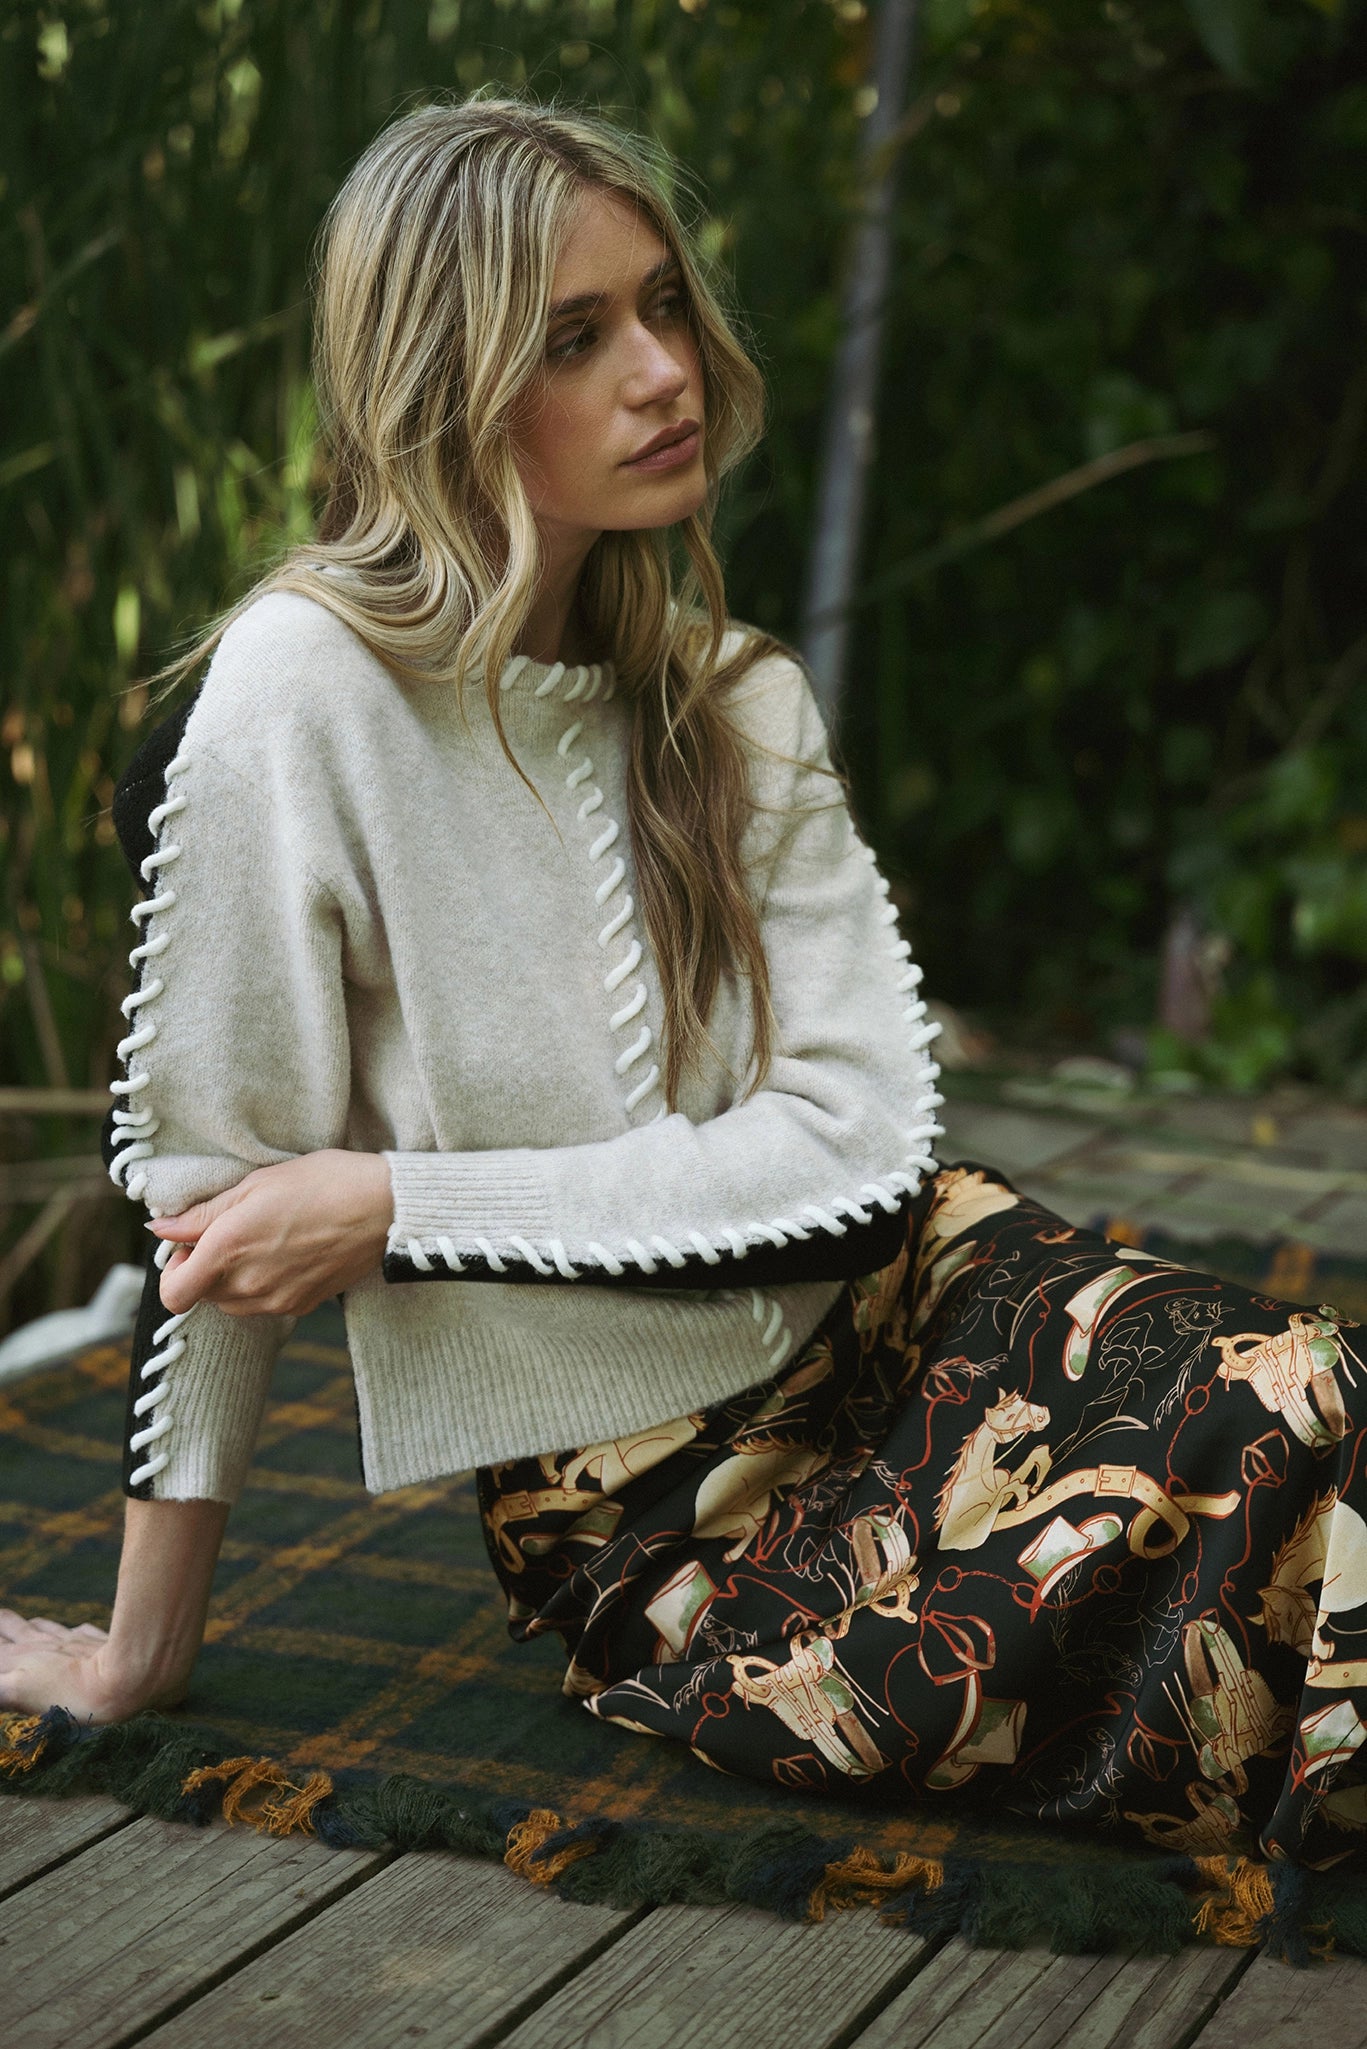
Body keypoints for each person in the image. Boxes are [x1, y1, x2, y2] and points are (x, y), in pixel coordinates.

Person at [3, 95, 1365, 1870]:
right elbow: (219, 1209)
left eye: (662, 304)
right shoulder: (298, 694)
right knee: (1245, 1585)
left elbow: (851, 1154)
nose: (666, 371)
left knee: (1315, 1395)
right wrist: (137, 1654)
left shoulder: (739, 698)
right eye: (576, 337)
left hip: (919, 1296)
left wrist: (403, 1206)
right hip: (664, 1509)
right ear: (442, 388)